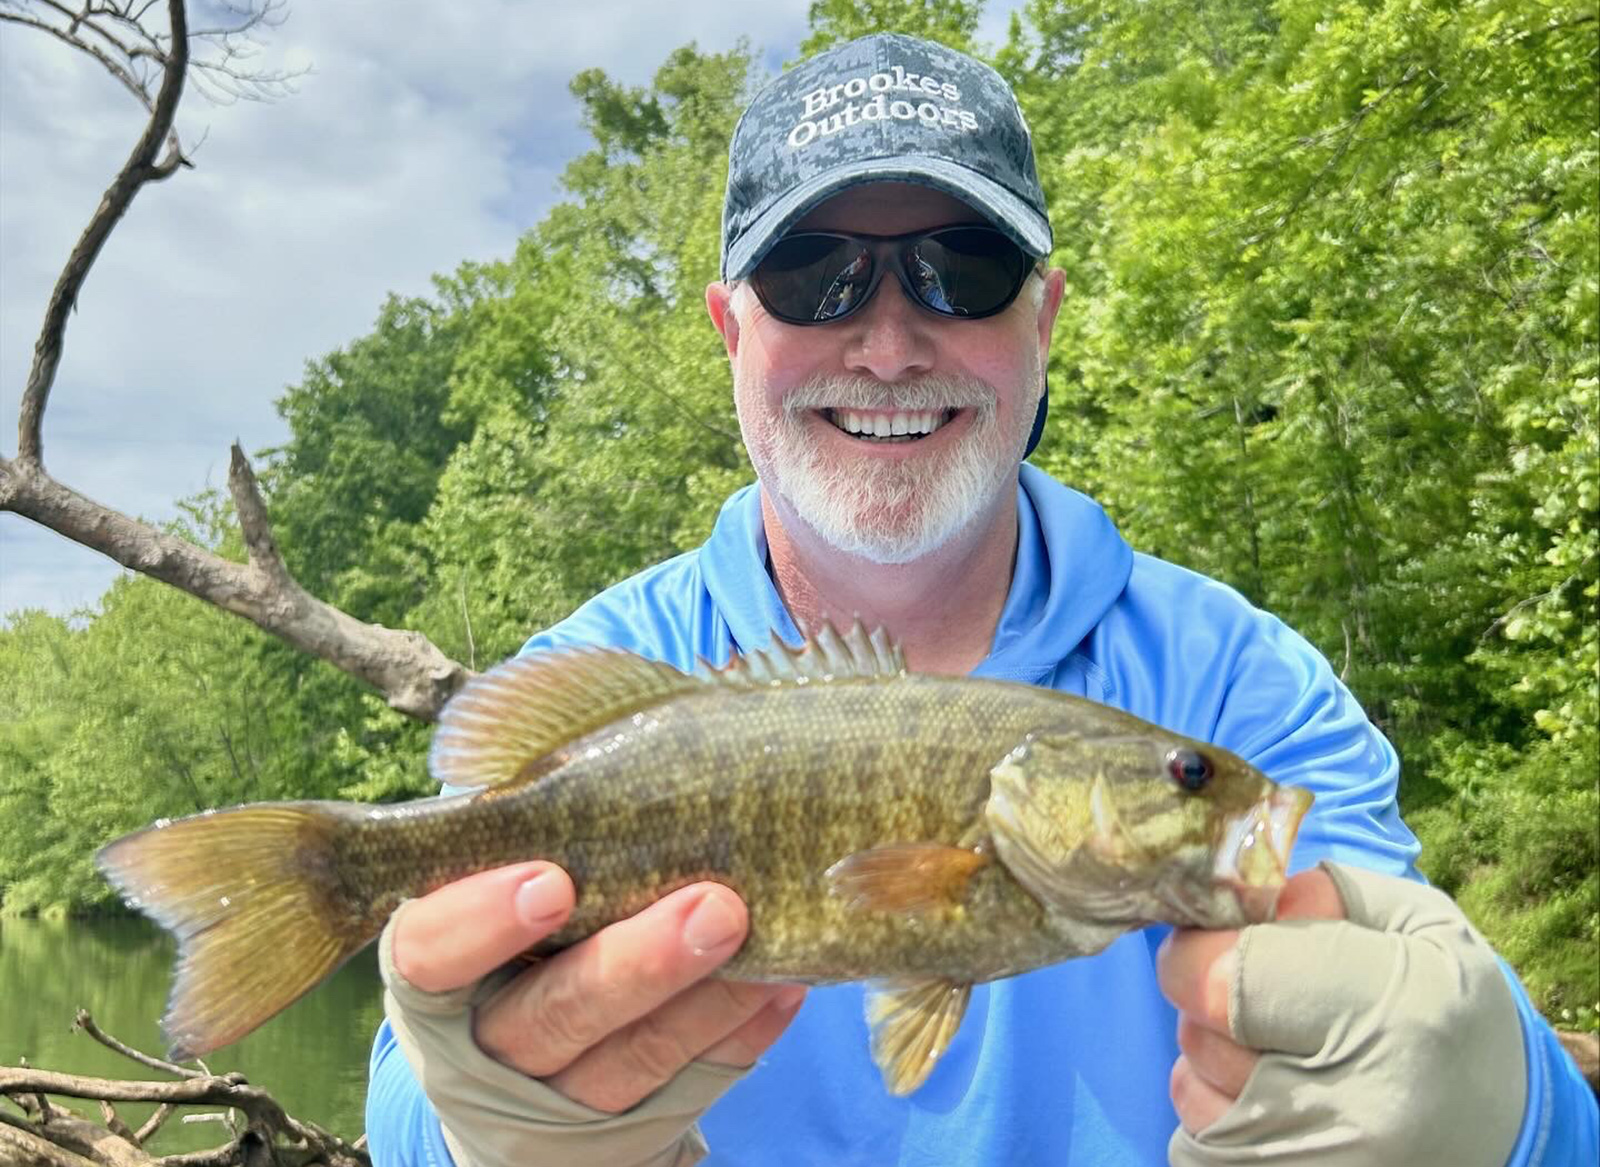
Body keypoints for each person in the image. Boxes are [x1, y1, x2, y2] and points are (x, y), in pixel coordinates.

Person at [364, 32, 1598, 1167]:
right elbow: (409, 1093)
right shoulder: (606, 668)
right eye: (813, 276)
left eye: (963, 268)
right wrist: (471, 1129)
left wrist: (1511, 1120)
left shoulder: (1239, 682)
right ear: (730, 331)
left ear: (1044, 320)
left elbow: (1434, 1018)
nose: (891, 343)